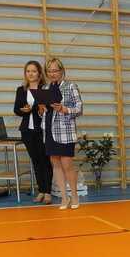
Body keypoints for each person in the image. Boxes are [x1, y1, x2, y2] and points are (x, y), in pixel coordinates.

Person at [40, 57, 83, 209]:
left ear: (61, 71)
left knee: (67, 165)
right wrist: (41, 110)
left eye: (55, 70)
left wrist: (64, 109)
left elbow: (79, 109)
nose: (52, 74)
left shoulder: (70, 86)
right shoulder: (45, 88)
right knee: (56, 165)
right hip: (49, 131)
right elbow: (44, 112)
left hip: (65, 132)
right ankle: (64, 198)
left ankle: (75, 196)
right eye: (49, 71)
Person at [14, 60, 52, 203]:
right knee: (36, 161)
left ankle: (48, 192)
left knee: (45, 160)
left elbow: (49, 109)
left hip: (42, 130)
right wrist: (24, 111)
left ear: (39, 73)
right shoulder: (21, 90)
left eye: (34, 71)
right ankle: (41, 190)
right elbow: (16, 110)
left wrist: (34, 109)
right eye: (28, 71)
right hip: (27, 131)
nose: (30, 74)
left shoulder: (45, 89)